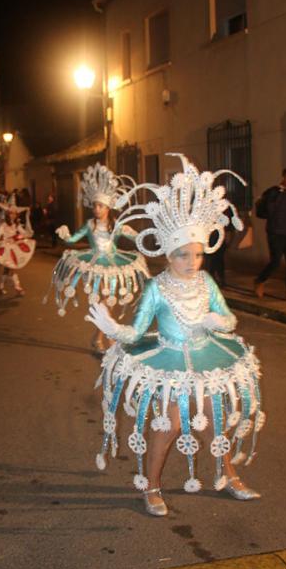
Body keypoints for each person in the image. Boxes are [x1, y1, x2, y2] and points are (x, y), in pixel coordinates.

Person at [86, 154, 264, 517]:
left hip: (207, 357)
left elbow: (229, 319)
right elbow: (136, 333)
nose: (192, 262)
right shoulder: (156, 289)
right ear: (168, 254)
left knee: (216, 421)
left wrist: (217, 322)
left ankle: (228, 475)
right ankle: (151, 487)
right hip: (169, 361)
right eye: (184, 255)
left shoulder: (206, 281)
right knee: (170, 427)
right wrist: (111, 328)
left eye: (198, 255)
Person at [44, 163, 149, 354]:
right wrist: (66, 235)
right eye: (94, 205)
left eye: (100, 206)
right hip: (94, 266)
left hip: (114, 265)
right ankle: (109, 340)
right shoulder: (89, 224)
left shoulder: (116, 226)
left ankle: (97, 337)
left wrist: (143, 235)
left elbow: (135, 237)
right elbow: (73, 239)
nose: (96, 209)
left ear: (108, 207)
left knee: (109, 302)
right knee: (99, 302)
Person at [254, 167, 286, 302]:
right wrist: (278, 195)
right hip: (275, 233)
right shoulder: (273, 192)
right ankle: (260, 280)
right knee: (275, 262)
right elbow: (267, 210)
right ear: (283, 178)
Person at [0, 198, 36, 295]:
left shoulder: (16, 225)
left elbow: (24, 233)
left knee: (7, 269)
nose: (13, 215)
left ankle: (1, 286)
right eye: (11, 213)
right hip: (6, 249)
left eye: (15, 213)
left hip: (15, 248)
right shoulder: (3, 225)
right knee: (13, 268)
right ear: (8, 214)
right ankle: (18, 287)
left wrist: (24, 235)